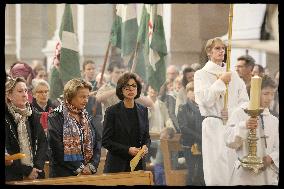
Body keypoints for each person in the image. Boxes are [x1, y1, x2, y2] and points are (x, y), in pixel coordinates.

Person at [194, 37, 249, 186]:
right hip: (213, 125)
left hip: (232, 126)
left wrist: (232, 112)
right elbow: (204, 99)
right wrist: (220, 82)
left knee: (232, 166)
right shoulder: (201, 74)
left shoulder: (234, 74)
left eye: (223, 48)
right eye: (217, 48)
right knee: (216, 167)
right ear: (209, 52)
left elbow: (245, 101)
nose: (221, 51)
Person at [225, 75, 279, 185]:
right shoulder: (240, 113)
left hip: (267, 176)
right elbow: (229, 141)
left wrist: (271, 158)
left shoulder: (274, 120)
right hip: (244, 177)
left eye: (272, 94)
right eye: (266, 94)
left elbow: (278, 147)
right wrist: (243, 125)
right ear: (255, 93)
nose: (269, 98)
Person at [48, 78, 101, 177]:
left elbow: (97, 141)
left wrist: (92, 165)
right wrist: (80, 168)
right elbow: (57, 148)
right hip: (63, 174)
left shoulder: (86, 115)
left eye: (87, 97)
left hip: (87, 173)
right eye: (82, 97)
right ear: (70, 96)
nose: (86, 101)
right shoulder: (55, 116)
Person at [102, 72, 150, 173]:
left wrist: (146, 146)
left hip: (138, 164)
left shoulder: (143, 110)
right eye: (127, 86)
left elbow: (146, 137)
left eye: (134, 86)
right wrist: (127, 149)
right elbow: (106, 141)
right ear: (121, 89)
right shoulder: (112, 111)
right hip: (117, 165)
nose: (131, 89)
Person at [5, 77, 48, 181]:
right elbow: (8, 152)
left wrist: (37, 168)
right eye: (20, 91)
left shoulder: (33, 114)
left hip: (36, 173)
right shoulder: (6, 118)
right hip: (13, 175)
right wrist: (27, 170)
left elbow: (43, 142)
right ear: (9, 96)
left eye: (25, 90)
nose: (25, 94)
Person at [177, 81, 205, 185]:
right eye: (191, 90)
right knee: (193, 172)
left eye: (196, 90)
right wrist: (199, 137)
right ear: (187, 93)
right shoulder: (183, 108)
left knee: (202, 172)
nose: (194, 93)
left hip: (204, 144)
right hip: (190, 144)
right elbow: (183, 127)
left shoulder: (204, 108)